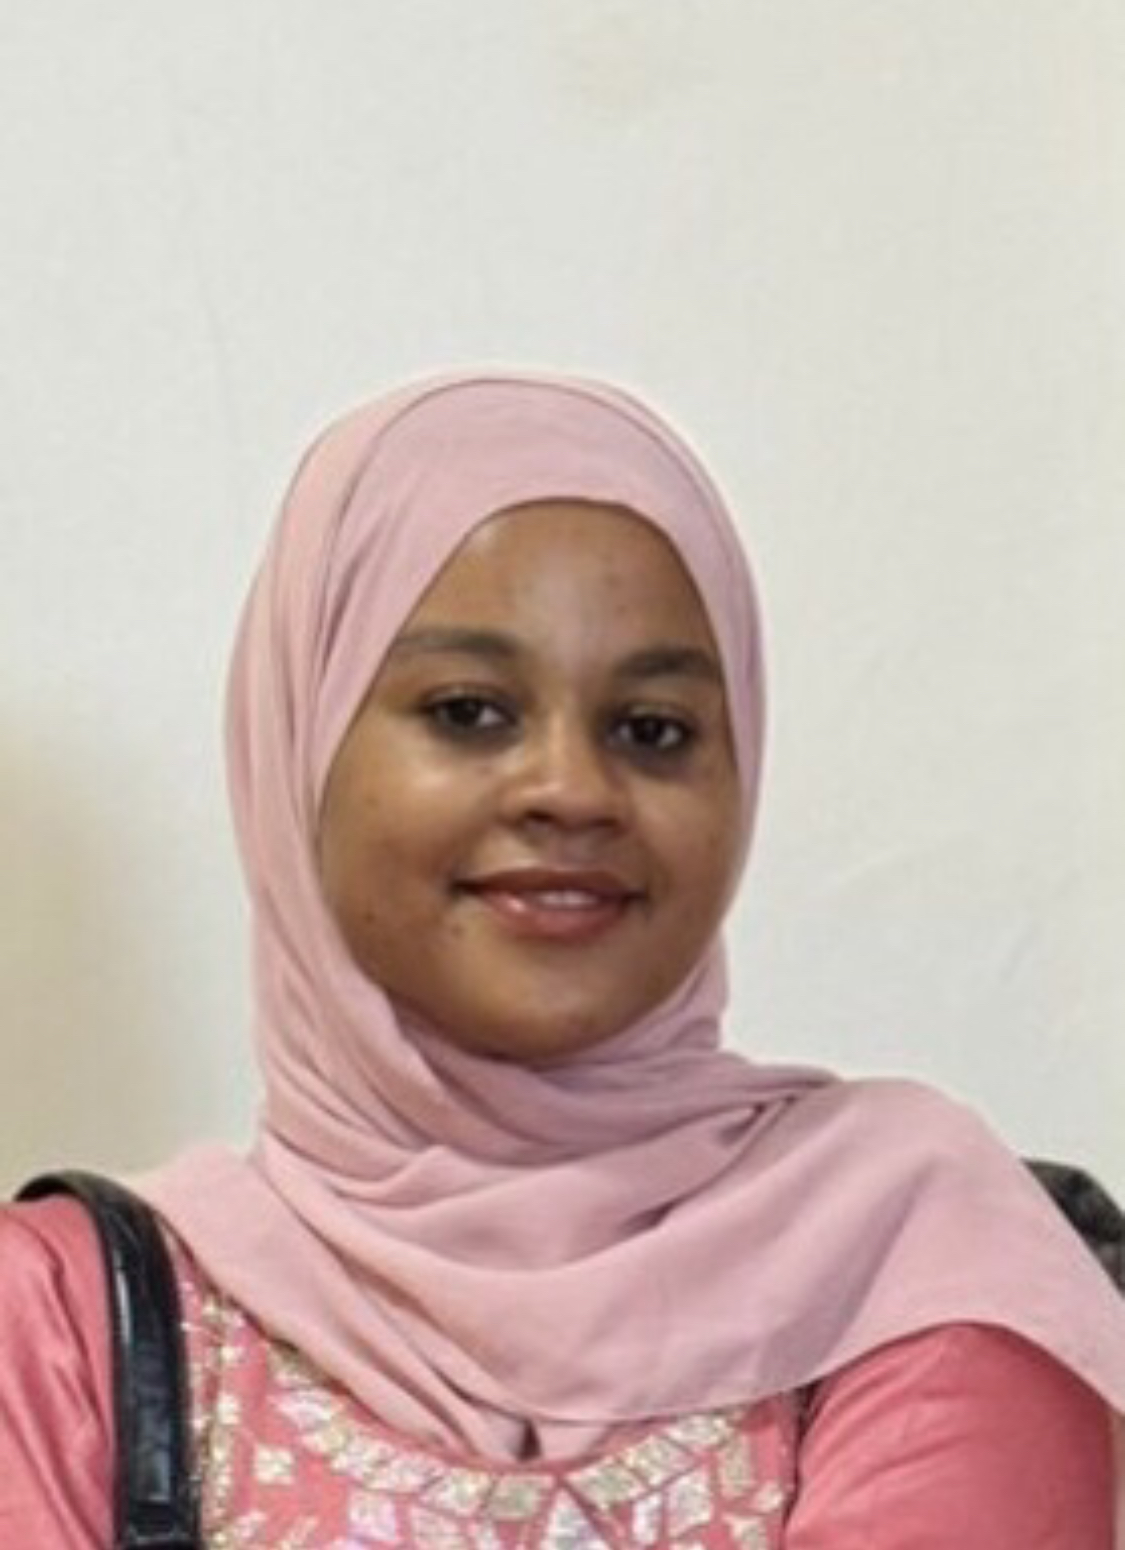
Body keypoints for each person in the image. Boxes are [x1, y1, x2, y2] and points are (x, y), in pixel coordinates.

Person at [2, 371, 1123, 1547]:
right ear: (299, 743)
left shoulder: (921, 1252)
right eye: (469, 710)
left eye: (653, 729)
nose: (573, 789)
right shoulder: (64, 1319)